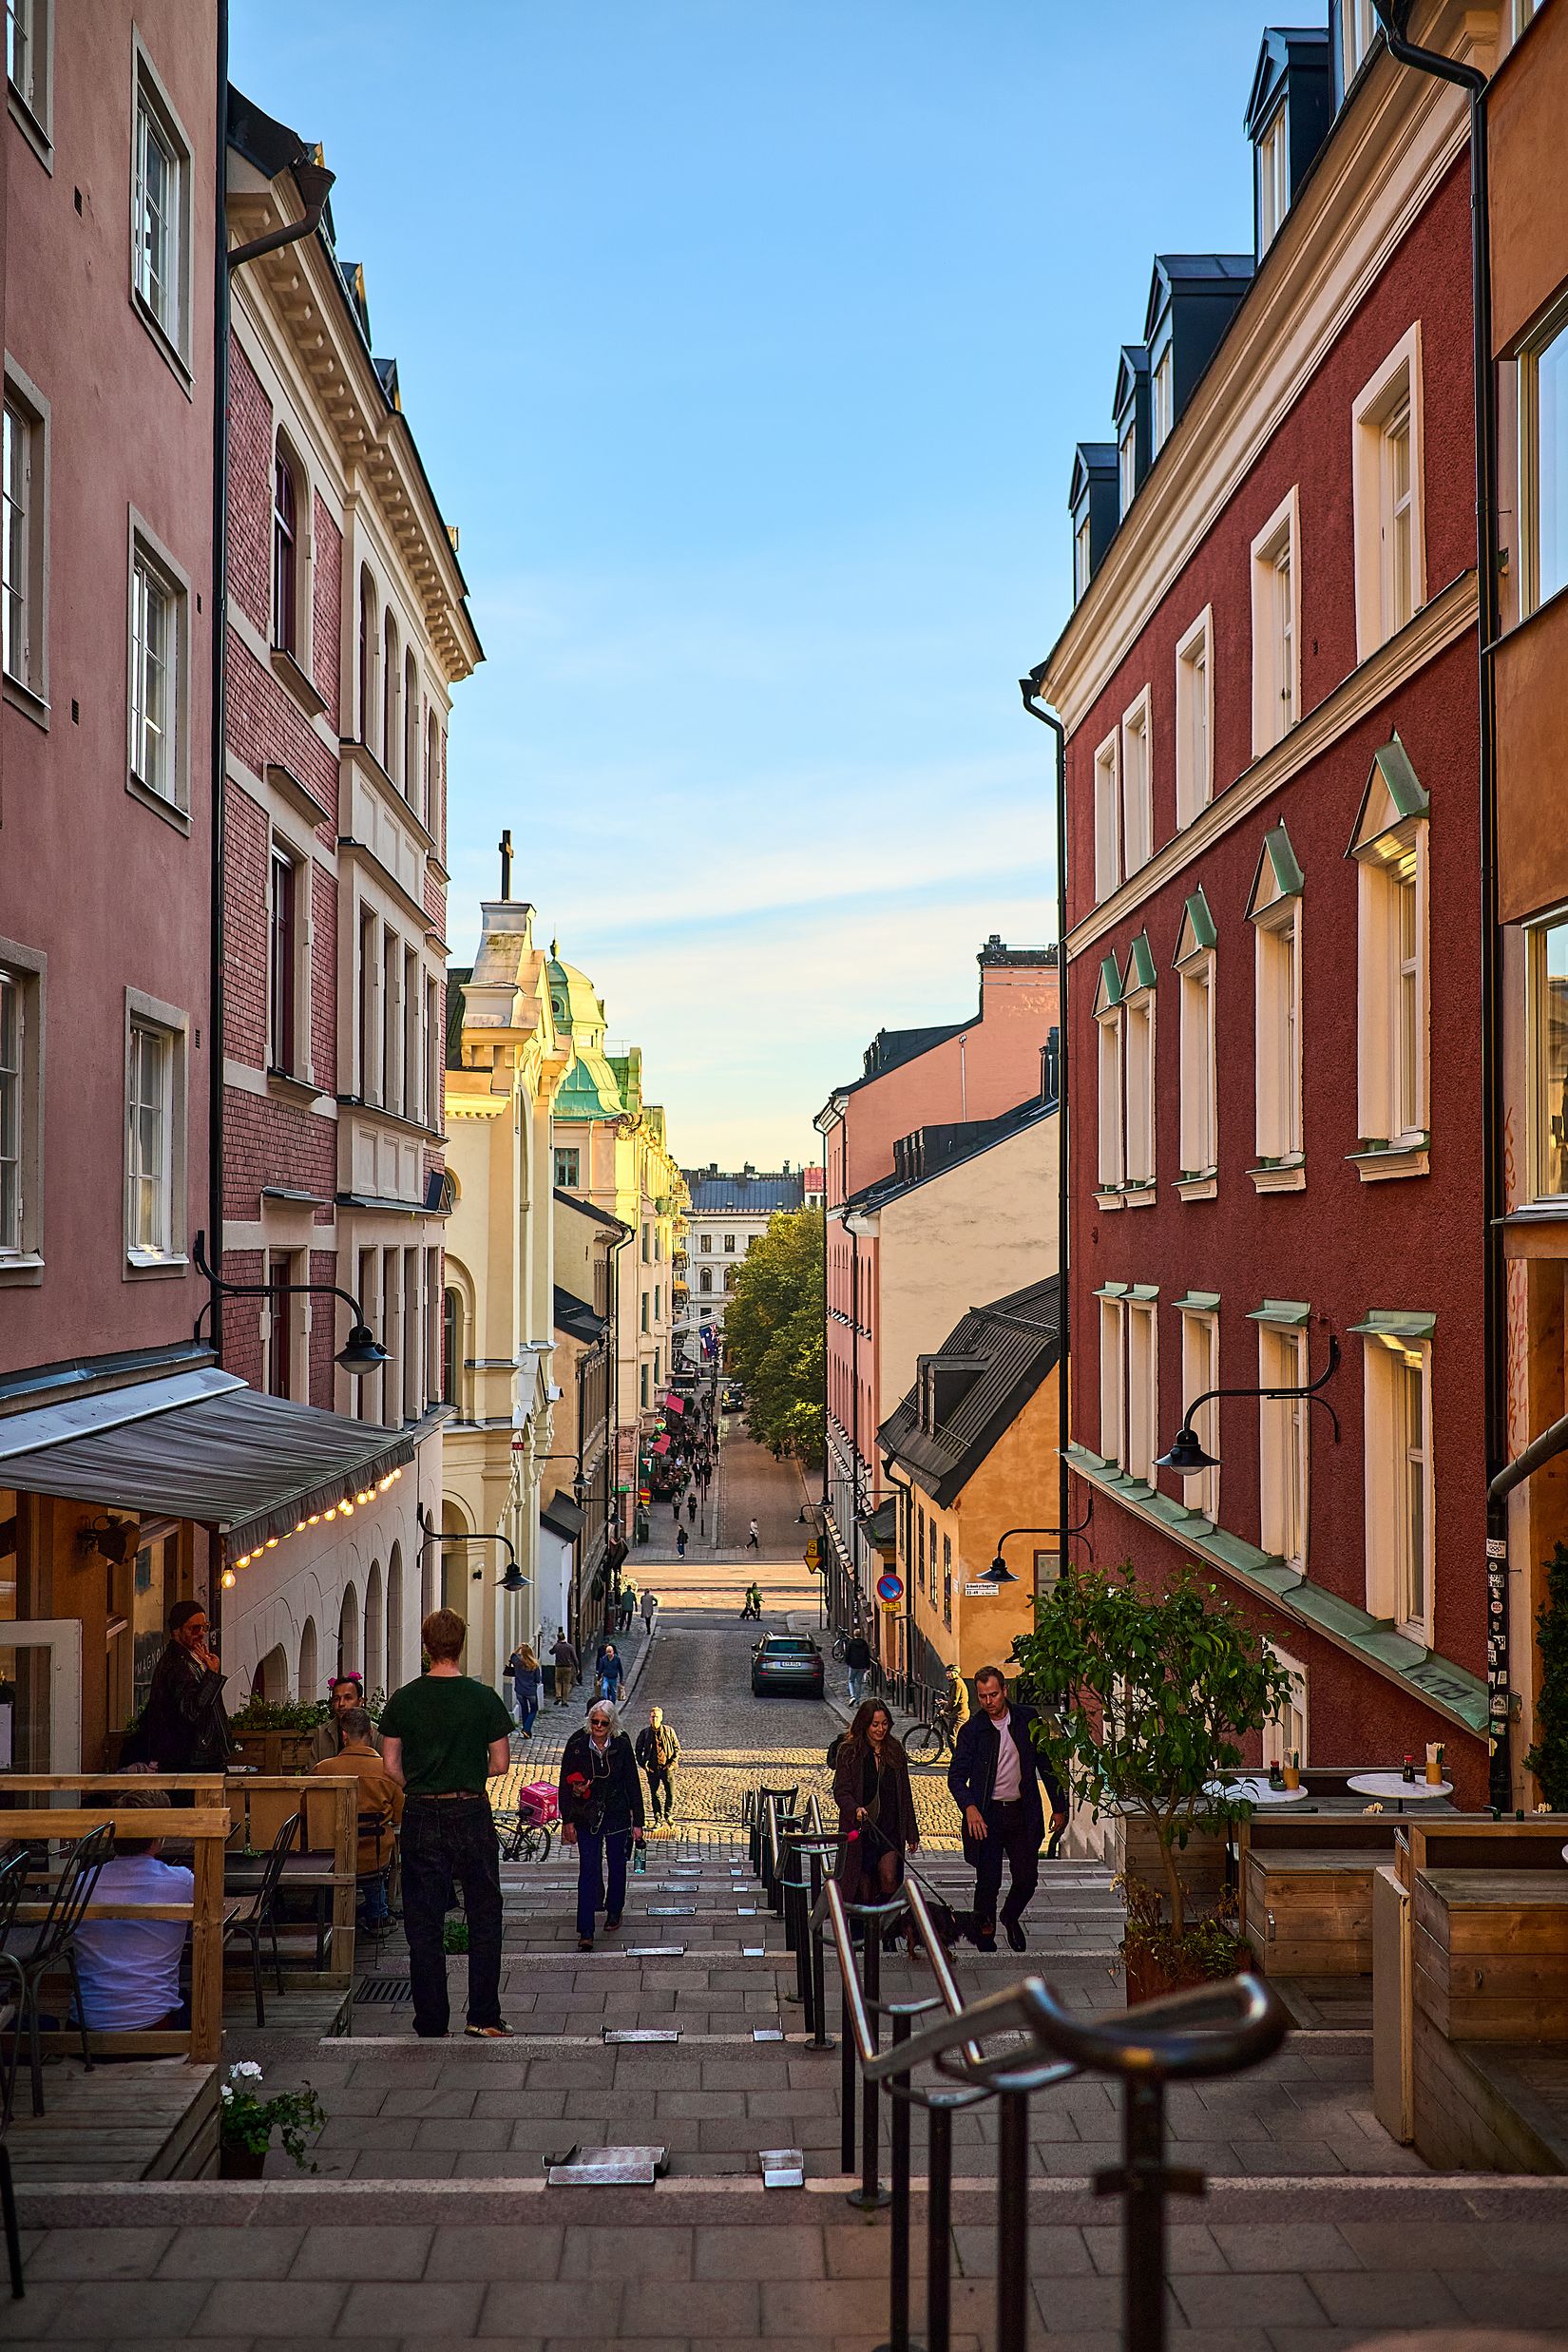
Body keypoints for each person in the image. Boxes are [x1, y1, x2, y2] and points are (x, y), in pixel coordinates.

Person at [378, 1607, 514, 2038]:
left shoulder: (404, 1699)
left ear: (426, 1646)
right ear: (460, 1645)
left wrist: (420, 1781)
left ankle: (432, 2020)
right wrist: (466, 1773)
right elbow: (500, 1764)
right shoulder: (483, 1698)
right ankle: (484, 2016)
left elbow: (389, 1765)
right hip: (470, 1810)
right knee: (484, 1914)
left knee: (423, 1920)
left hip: (421, 1813)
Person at [946, 1665, 1067, 1954]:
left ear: (1005, 1691)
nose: (988, 1701)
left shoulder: (1027, 1719)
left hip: (1021, 1813)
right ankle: (984, 1935)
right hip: (986, 1816)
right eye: (983, 1696)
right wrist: (970, 1807)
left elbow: (1046, 1765)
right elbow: (955, 1777)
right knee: (988, 1881)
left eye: (993, 1694)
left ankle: (1010, 1916)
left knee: (1027, 1878)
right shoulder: (973, 1730)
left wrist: (1059, 1806)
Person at [73, 1788, 192, 2033]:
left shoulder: (84, 1881)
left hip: (85, 2029)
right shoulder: (182, 1881)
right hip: (153, 2026)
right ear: (159, 1836)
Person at [559, 1700, 645, 1950]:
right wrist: (568, 1818)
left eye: (603, 1723)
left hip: (616, 1813)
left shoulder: (621, 1743)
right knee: (588, 1869)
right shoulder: (576, 1744)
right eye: (594, 1721)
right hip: (587, 1814)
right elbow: (564, 1783)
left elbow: (632, 1782)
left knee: (617, 1864)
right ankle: (586, 1930)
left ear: (612, 1724)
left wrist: (638, 1821)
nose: (598, 1726)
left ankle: (614, 1911)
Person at [310, 1705, 405, 1930]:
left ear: (343, 1736)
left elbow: (308, 1811)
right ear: (370, 1733)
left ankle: (330, 1911)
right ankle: (378, 1912)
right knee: (376, 1860)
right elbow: (401, 1815)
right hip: (373, 1855)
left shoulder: (323, 1769)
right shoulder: (386, 1771)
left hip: (331, 1855)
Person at [832, 1701, 919, 1904]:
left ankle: (888, 1926)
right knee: (863, 1886)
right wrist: (855, 1809)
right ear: (865, 1724)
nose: (881, 1729)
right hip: (861, 1830)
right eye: (875, 1724)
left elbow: (905, 1793)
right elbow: (841, 1790)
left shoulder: (895, 1750)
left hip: (889, 1829)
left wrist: (911, 1832)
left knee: (889, 1878)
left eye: (885, 1723)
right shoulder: (849, 1751)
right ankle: (864, 1931)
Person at [129, 1600, 232, 1772]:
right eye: (194, 1629)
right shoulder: (176, 1665)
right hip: (191, 1760)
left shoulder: (189, 1658)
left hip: (195, 1756)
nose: (201, 1634)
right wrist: (212, 1675)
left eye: (204, 1627)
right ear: (177, 1631)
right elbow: (193, 1711)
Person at [310, 1673, 378, 1764]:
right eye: (336, 1699)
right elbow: (311, 1772)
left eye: (348, 1698)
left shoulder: (377, 1733)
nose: (341, 1704)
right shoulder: (322, 1732)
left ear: (360, 1701)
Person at [634, 1704, 681, 1829]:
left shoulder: (668, 1731)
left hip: (667, 1768)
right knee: (654, 1794)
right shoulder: (645, 1733)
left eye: (656, 1717)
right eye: (652, 1717)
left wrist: (672, 1764)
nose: (654, 1719)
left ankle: (668, 1814)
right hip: (653, 1769)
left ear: (661, 1718)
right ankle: (658, 1818)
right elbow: (638, 1750)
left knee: (670, 1793)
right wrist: (643, 1765)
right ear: (650, 1718)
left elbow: (677, 1748)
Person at [506, 1643, 543, 1739]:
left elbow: (512, 1655)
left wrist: (519, 1648)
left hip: (520, 1690)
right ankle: (526, 1729)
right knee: (534, 1710)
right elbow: (538, 1679)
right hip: (530, 1691)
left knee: (524, 1709)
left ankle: (527, 1731)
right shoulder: (534, 1665)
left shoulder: (517, 1662)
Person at [844, 1629, 872, 1708]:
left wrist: (848, 1662)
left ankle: (852, 1696)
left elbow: (847, 1654)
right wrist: (867, 1666)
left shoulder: (851, 1643)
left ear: (854, 1634)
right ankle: (857, 1700)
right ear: (861, 1634)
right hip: (861, 1666)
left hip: (853, 1665)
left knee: (851, 1681)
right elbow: (867, 1655)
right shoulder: (864, 1644)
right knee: (859, 1683)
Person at [550, 1629, 579, 1707]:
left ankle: (558, 1695)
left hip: (558, 1667)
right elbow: (574, 1658)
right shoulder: (569, 1647)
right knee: (566, 1684)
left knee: (558, 1681)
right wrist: (577, 1668)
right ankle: (564, 1700)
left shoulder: (557, 1646)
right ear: (564, 1637)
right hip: (568, 1667)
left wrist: (556, 1644)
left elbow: (551, 1652)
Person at [945, 1663, 971, 1736]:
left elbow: (954, 1702)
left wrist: (944, 1710)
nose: (947, 1675)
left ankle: (955, 1748)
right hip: (959, 1712)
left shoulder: (957, 1683)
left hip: (959, 1714)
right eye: (947, 1673)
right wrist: (945, 1702)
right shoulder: (955, 1682)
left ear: (956, 1673)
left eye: (950, 1673)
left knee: (951, 1737)